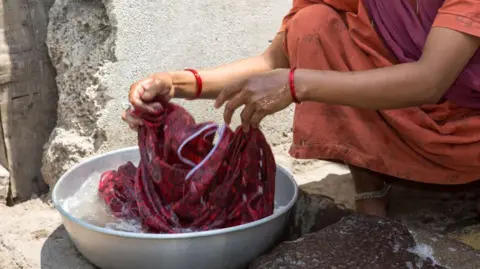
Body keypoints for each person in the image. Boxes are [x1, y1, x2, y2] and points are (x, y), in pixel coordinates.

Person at [122, 0, 480, 218]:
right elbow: (272, 61)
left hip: (469, 132)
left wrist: (296, 84)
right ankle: (371, 189)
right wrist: (177, 83)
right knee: (312, 25)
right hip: (405, 111)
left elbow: (429, 80)